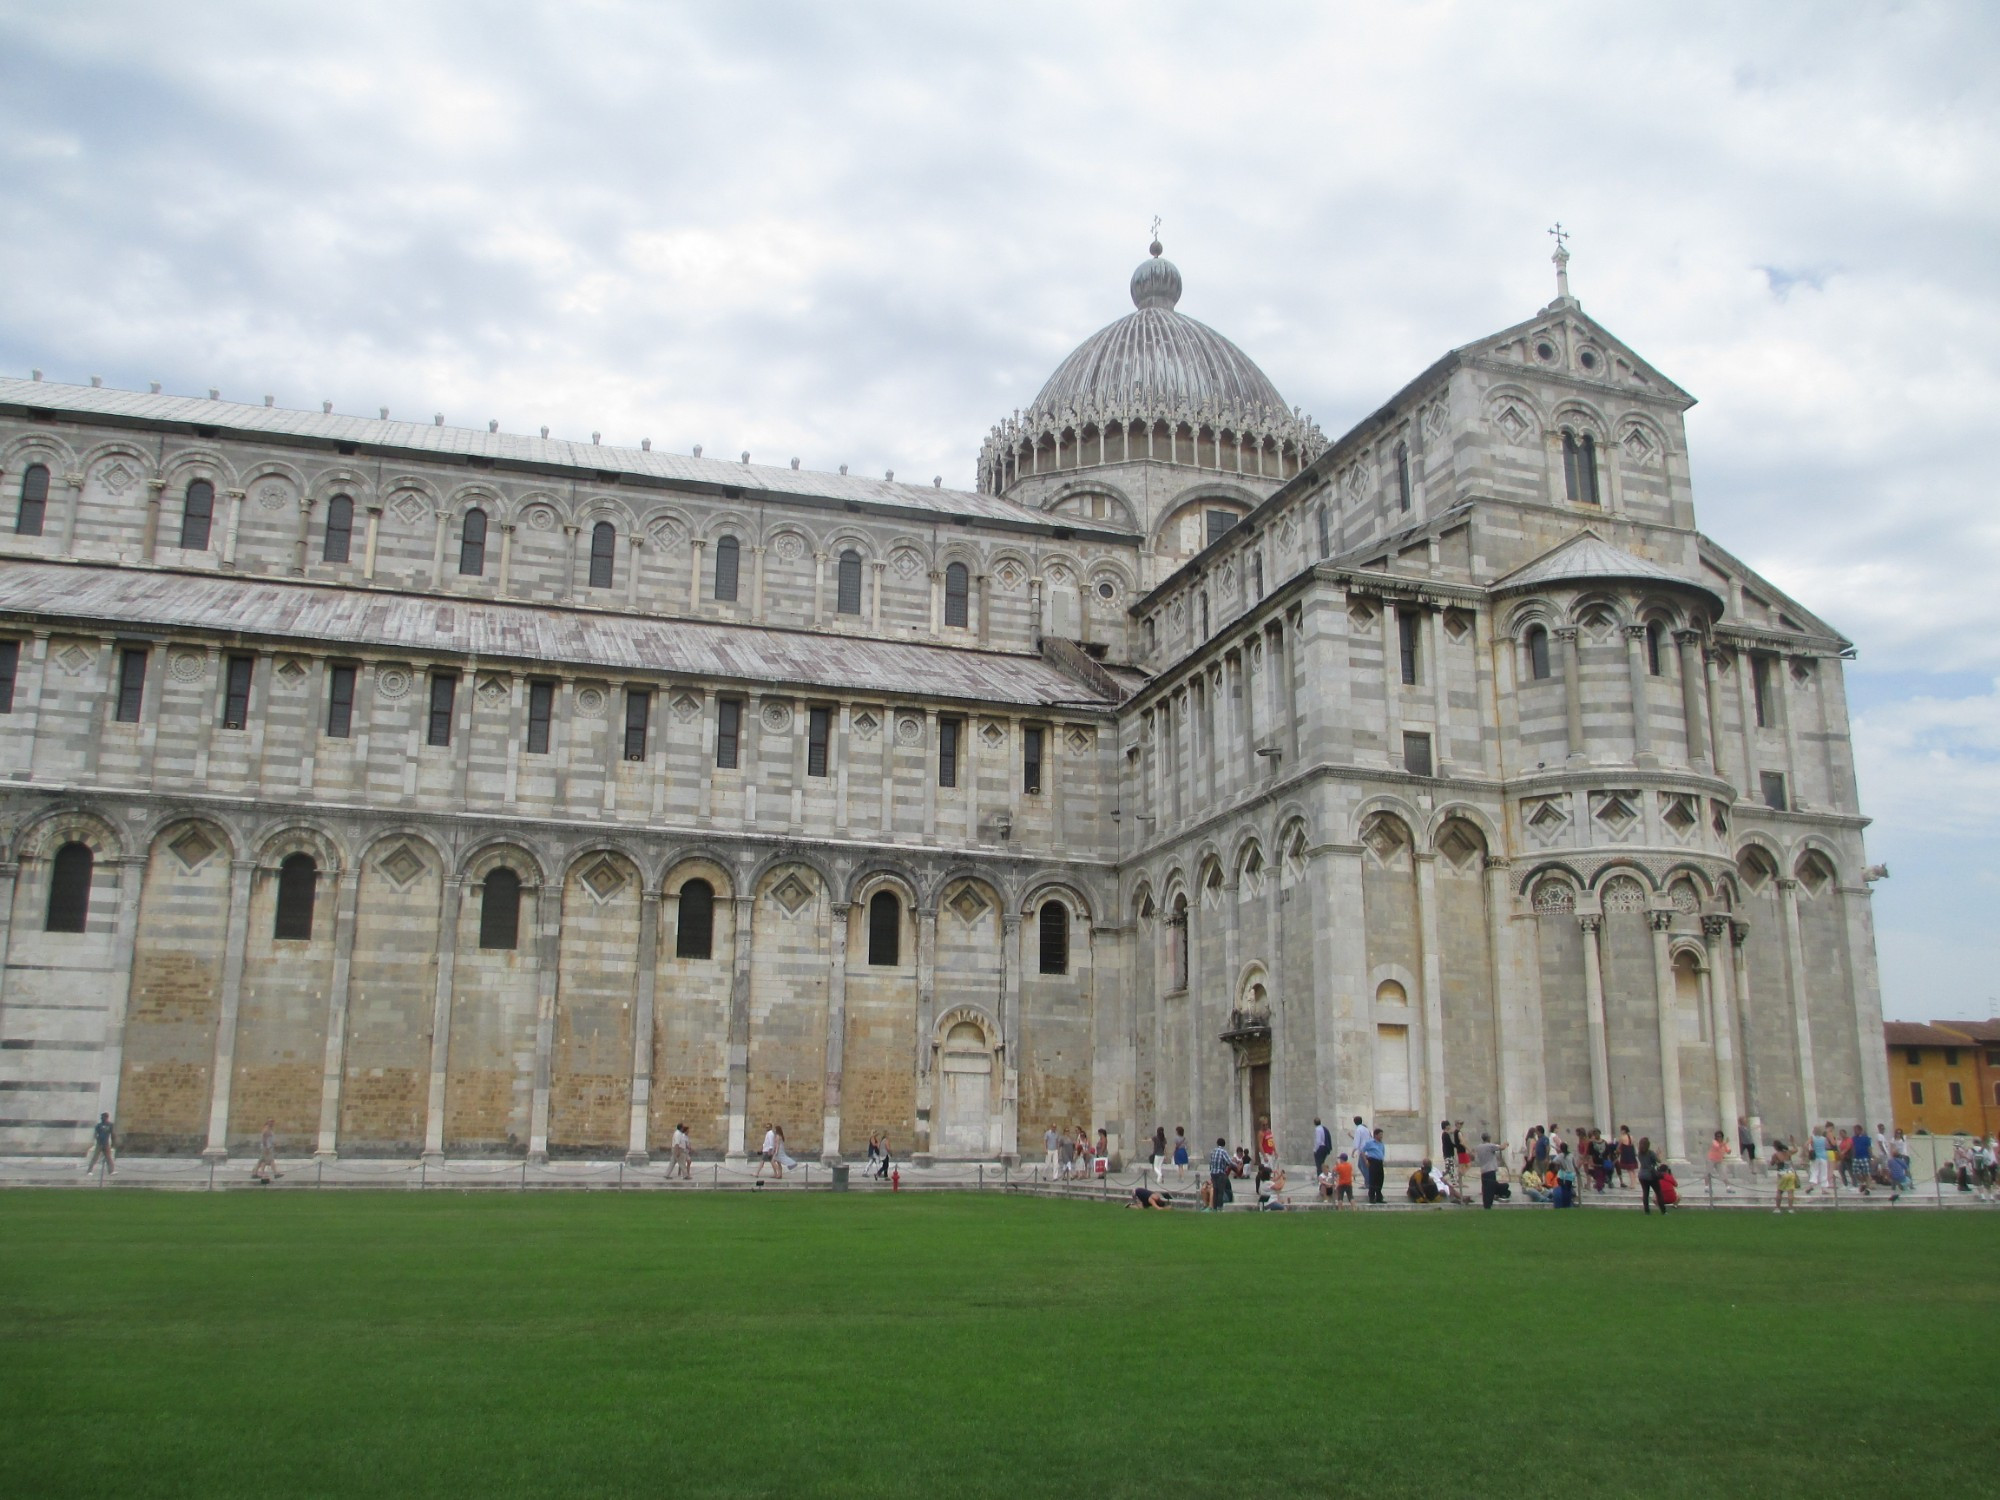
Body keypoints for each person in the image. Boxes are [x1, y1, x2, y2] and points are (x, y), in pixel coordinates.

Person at [1637, 1136, 1668, 1214]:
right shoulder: (1650, 1153)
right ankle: (1663, 1211)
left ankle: (1647, 1211)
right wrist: (1658, 1154)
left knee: (1645, 1193)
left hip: (1642, 1175)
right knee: (1658, 1192)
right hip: (1651, 1175)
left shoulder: (1639, 1153)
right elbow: (1658, 1161)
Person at [1473, 1132, 1502, 1209]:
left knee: (1485, 1188)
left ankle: (1486, 1204)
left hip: (1483, 1170)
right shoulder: (1490, 1146)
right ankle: (1489, 1204)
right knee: (1491, 1188)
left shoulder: (1478, 1147)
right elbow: (1501, 1147)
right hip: (1490, 1170)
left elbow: (1476, 1159)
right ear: (1488, 1138)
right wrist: (1506, 1144)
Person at [1771, 1140, 1798, 1212]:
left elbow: (1772, 1163)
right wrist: (1793, 1142)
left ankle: (1777, 1208)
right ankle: (1790, 1209)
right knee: (1790, 1192)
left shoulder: (1776, 1154)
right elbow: (1796, 1149)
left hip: (1782, 1173)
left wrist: (1776, 1161)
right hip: (1790, 1172)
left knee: (1779, 1191)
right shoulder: (1788, 1152)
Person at [1208, 1137, 1234, 1212]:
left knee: (1215, 1191)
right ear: (1224, 1144)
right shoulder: (1223, 1151)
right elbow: (1229, 1162)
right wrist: (1237, 1165)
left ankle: (1214, 1207)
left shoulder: (1213, 1151)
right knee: (1220, 1191)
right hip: (1220, 1173)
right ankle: (1220, 1207)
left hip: (1213, 1173)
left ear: (1217, 1143)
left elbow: (1211, 1163)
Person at [253, 1117, 282, 1183]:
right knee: (271, 1160)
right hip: (267, 1148)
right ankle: (276, 1173)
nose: (272, 1123)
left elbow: (270, 1139)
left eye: (273, 1121)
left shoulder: (269, 1129)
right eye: (271, 1121)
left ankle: (254, 1173)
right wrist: (266, 1148)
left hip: (268, 1147)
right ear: (268, 1122)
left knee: (261, 1160)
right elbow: (264, 1140)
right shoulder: (266, 1130)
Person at [1363, 1128, 1387, 1204]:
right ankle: (1371, 1197)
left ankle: (1379, 1197)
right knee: (1373, 1180)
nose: (1381, 1136)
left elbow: (1382, 1153)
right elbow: (1362, 1151)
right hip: (1373, 1162)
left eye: (1382, 1135)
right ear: (1376, 1135)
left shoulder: (1381, 1144)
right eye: (1380, 1135)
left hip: (1379, 1163)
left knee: (1380, 1180)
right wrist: (1366, 1161)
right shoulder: (1370, 1143)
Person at [1849, 1123, 1873, 1195]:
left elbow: (1869, 1148)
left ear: (1860, 1130)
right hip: (1856, 1158)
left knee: (1866, 1173)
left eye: (1856, 1130)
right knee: (1856, 1173)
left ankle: (1868, 1188)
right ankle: (1863, 1183)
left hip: (1864, 1157)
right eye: (1854, 1130)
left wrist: (1871, 1158)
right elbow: (1852, 1148)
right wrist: (1852, 1157)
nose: (1855, 1132)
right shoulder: (1853, 1139)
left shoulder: (1866, 1138)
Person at [1705, 1130, 1730, 1195]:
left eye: (1720, 1136)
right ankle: (1706, 1187)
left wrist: (1729, 1150)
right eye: (1717, 1136)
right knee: (1708, 1173)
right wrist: (1725, 1143)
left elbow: (1728, 1151)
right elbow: (1717, 1146)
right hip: (1711, 1159)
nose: (1719, 1138)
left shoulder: (1724, 1144)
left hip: (1719, 1160)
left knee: (1723, 1173)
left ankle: (1728, 1187)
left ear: (1722, 1137)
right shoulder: (1714, 1142)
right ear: (1715, 1137)